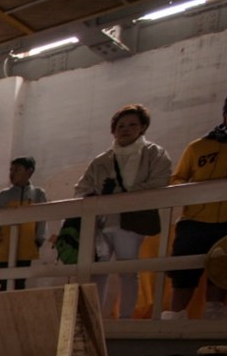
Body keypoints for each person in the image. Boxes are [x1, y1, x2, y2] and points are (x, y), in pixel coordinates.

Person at [164, 84, 227, 320]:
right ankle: (175, 314)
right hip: (196, 217)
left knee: (222, 265)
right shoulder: (199, 147)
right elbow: (178, 177)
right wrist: (188, 191)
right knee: (184, 267)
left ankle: (214, 309)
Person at [74, 105, 172, 320]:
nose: (126, 129)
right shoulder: (101, 161)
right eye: (121, 125)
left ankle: (127, 317)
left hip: (132, 219)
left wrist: (120, 193)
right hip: (101, 221)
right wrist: (99, 194)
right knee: (96, 272)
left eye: (132, 124)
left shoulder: (154, 154)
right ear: (113, 130)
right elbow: (81, 189)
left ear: (143, 127)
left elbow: (159, 183)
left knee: (128, 271)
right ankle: (93, 318)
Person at [0, 157, 48, 291]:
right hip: (4, 247)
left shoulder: (38, 194)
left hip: (26, 247)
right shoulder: (2, 196)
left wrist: (38, 240)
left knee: (20, 282)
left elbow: (42, 219)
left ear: (29, 172)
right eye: (11, 169)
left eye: (17, 169)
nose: (12, 173)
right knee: (4, 282)